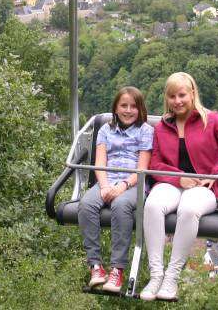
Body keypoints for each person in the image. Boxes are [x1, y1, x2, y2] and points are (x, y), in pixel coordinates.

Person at [140, 72, 218, 301]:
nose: (177, 101)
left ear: (192, 94)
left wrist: (214, 173)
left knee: (189, 209)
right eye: (172, 96)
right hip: (172, 183)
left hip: (205, 188)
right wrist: (179, 178)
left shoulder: (210, 120)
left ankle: (171, 277)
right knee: (152, 205)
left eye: (182, 95)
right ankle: (156, 274)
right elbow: (156, 163)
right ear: (166, 98)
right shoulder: (162, 127)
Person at [78, 86, 154, 293]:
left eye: (133, 106)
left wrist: (122, 186)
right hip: (107, 178)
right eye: (124, 106)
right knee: (86, 205)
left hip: (133, 182)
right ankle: (95, 266)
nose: (128, 110)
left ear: (140, 109)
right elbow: (100, 162)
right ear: (116, 108)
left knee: (121, 206)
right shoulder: (105, 130)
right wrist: (104, 186)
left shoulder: (146, 131)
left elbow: (142, 168)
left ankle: (117, 269)